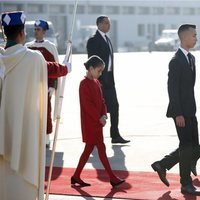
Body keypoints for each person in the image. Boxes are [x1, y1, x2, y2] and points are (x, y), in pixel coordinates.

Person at [0, 11, 70, 200]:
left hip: (2, 128)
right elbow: (50, 68)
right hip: (25, 128)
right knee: (23, 174)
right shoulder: (33, 58)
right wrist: (66, 67)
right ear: (22, 33)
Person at [151, 24, 200, 195]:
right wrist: (178, 113)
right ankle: (185, 183)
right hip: (180, 112)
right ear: (185, 37)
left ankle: (162, 165)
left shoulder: (191, 59)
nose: (196, 38)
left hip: (190, 110)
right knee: (186, 147)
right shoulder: (176, 61)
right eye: (194, 35)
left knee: (195, 147)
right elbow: (172, 89)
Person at [71, 55, 125, 187]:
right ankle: (112, 178)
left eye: (101, 71)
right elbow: (87, 105)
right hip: (90, 123)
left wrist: (104, 114)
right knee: (101, 148)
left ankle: (76, 176)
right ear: (90, 69)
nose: (100, 73)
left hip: (97, 122)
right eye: (99, 70)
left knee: (89, 149)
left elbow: (102, 101)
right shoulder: (84, 84)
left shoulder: (96, 83)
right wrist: (99, 117)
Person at [86, 15, 130, 144]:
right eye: (106, 23)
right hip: (99, 80)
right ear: (99, 24)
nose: (108, 25)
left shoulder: (107, 39)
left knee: (115, 107)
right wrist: (96, 79)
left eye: (109, 23)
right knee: (97, 110)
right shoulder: (93, 40)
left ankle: (115, 135)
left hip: (109, 79)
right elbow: (92, 62)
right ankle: (93, 136)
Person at [25, 19, 60, 148]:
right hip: (31, 85)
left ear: (44, 31)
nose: (36, 32)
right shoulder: (28, 46)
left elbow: (55, 68)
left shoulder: (50, 47)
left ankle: (46, 137)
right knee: (31, 112)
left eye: (38, 29)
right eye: (35, 29)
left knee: (45, 112)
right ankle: (33, 136)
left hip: (45, 86)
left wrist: (52, 86)